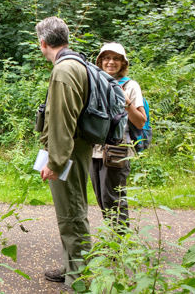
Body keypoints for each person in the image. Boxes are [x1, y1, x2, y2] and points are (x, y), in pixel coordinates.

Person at [35, 17, 92, 287]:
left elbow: (61, 121)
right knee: (71, 211)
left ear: (43, 43)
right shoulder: (77, 62)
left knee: (72, 214)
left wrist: (56, 162)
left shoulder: (64, 70)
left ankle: (80, 280)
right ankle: (73, 271)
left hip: (68, 154)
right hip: (75, 149)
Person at [90, 42, 147, 228]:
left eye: (116, 58)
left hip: (117, 150)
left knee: (114, 201)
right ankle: (113, 245)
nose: (110, 62)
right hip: (94, 151)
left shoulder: (131, 86)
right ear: (100, 61)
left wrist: (127, 102)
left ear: (123, 63)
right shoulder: (94, 82)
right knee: (102, 200)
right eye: (106, 58)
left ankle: (118, 250)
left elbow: (140, 121)